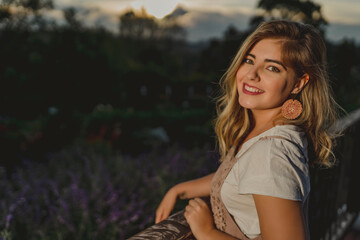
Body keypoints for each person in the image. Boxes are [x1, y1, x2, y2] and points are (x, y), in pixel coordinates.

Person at [155, 20, 339, 240]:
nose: (252, 74)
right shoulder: (269, 133)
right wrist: (180, 189)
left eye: (272, 68)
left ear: (299, 83)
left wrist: (207, 232)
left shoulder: (271, 152)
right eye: (249, 61)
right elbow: (240, 174)